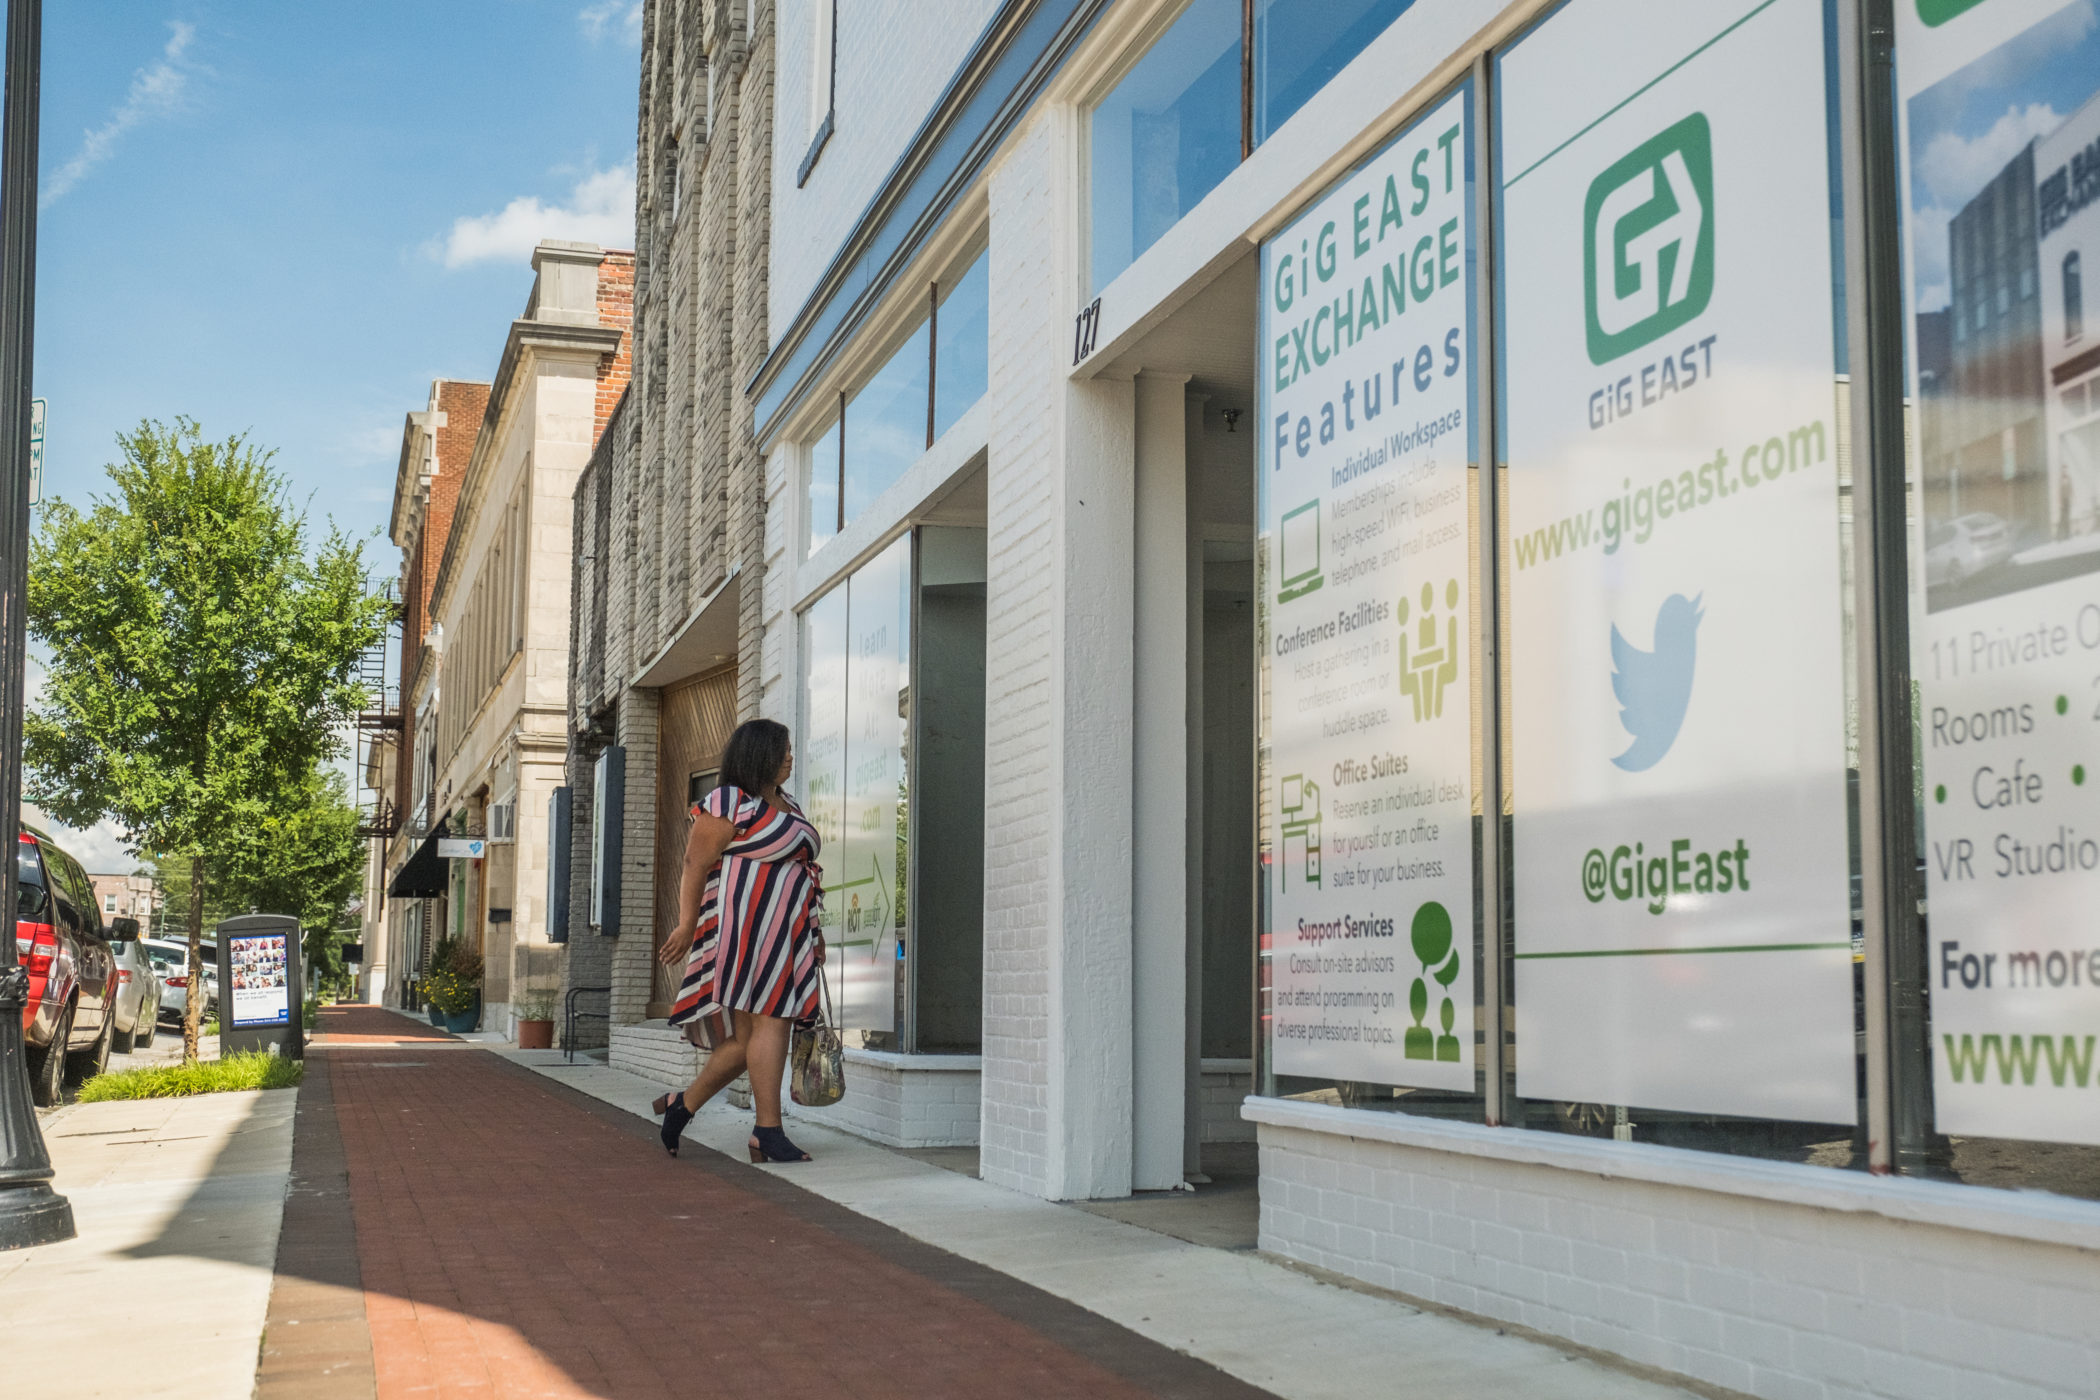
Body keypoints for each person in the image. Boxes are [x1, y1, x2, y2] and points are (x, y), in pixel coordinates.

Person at [651, 717, 827, 1163]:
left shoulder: (786, 803)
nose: (790, 756)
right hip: (747, 929)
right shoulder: (730, 801)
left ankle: (681, 1107)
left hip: (786, 932)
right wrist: (687, 925)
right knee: (773, 1021)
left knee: (746, 1040)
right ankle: (767, 1132)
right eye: (783, 750)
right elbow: (694, 862)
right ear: (759, 754)